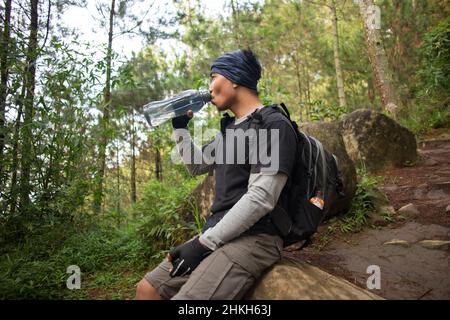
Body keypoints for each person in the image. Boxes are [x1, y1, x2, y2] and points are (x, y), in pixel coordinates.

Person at [135, 49, 297, 300]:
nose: (209, 87)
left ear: (234, 78)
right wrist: (180, 128)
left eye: (213, 77)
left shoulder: (272, 124)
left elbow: (261, 198)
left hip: (256, 237)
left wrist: (202, 244)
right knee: (147, 289)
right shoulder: (230, 131)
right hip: (218, 231)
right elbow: (196, 165)